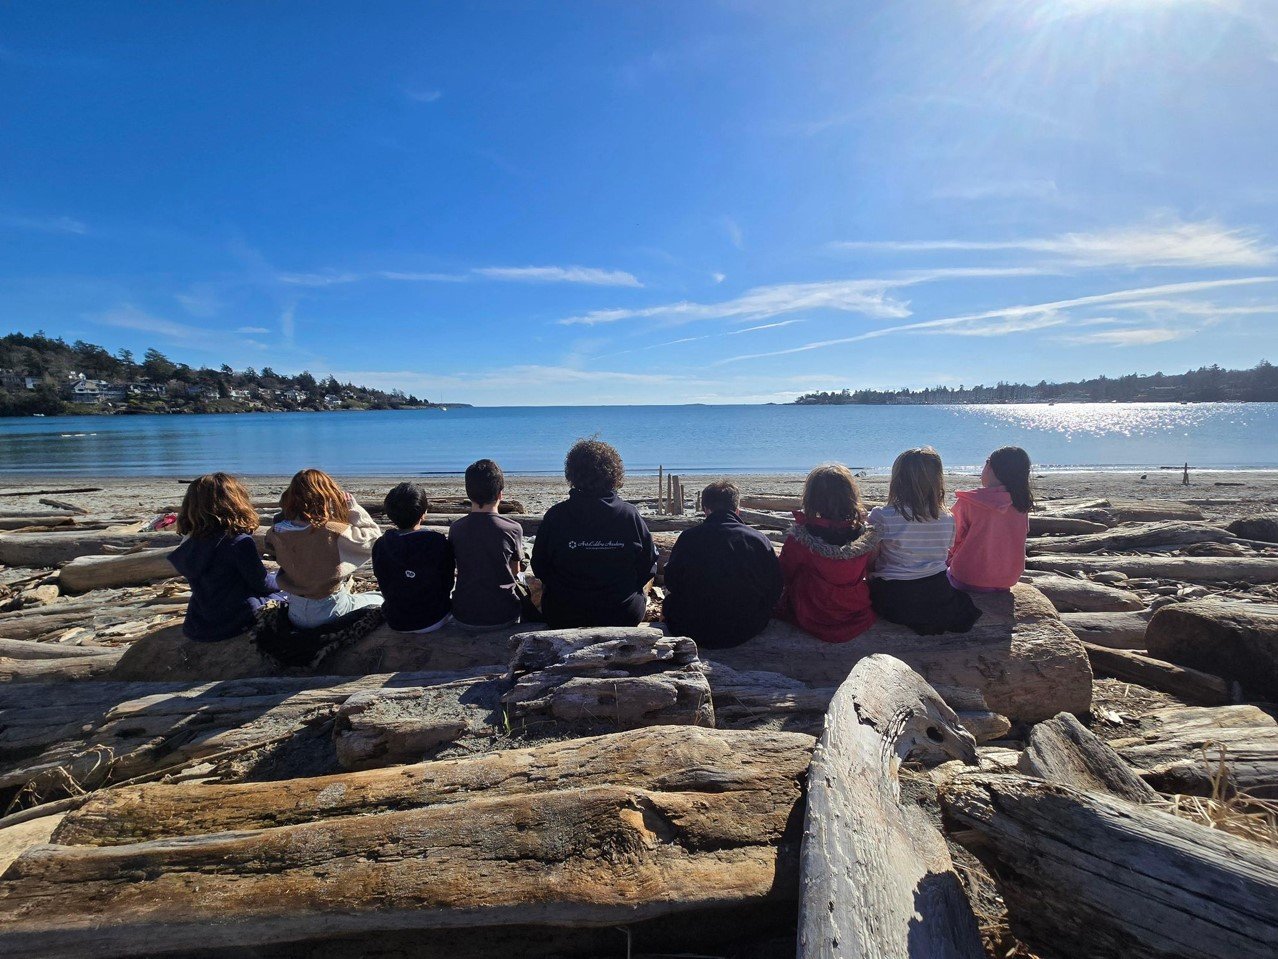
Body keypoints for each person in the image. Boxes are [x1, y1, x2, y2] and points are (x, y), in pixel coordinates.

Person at [531, 439, 658, 628]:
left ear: (572, 473)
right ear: (614, 474)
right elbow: (648, 564)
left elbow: (539, 565)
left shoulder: (557, 515)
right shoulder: (628, 514)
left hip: (564, 613)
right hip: (621, 613)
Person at [868, 447, 981, 635]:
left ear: (897, 481)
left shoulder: (882, 516)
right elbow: (945, 554)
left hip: (895, 596)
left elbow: (870, 560)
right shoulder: (947, 518)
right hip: (937, 592)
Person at [663, 480, 783, 648]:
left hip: (690, 626)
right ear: (737, 510)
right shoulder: (758, 540)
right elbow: (775, 587)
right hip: (746, 627)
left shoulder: (689, 538)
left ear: (705, 510)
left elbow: (671, 581)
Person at [168, 472, 284, 641]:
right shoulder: (237, 542)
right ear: (235, 502)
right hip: (237, 615)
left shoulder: (190, 541)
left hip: (202, 616)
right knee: (289, 598)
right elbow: (261, 583)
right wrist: (283, 580)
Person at [774, 464, 879, 643]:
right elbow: (871, 568)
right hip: (854, 611)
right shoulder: (864, 535)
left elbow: (785, 573)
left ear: (812, 498)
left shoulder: (802, 538)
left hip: (812, 613)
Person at [266, 468, 383, 629]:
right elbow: (374, 539)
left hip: (296, 611)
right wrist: (353, 508)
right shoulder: (331, 531)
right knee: (380, 598)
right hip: (330, 610)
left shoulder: (275, 532)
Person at [449, 459, 526, 630]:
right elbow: (515, 572)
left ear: (469, 494)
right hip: (503, 615)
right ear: (500, 494)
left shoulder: (456, 528)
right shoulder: (513, 528)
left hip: (463, 614)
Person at [948, 447, 1033, 593]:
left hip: (968, 577)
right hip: (1009, 578)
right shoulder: (1021, 503)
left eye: (987, 462)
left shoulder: (970, 501)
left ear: (991, 468)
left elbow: (950, 538)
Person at [372, 482, 454, 632]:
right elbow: (448, 582)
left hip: (396, 621)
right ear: (424, 513)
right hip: (435, 618)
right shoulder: (437, 542)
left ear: (390, 514)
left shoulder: (381, 545)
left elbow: (382, 578)